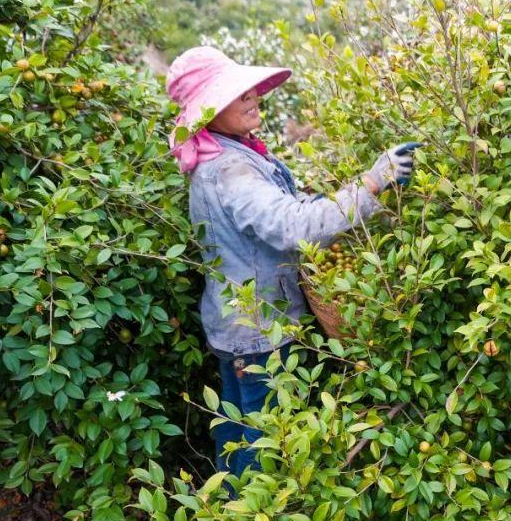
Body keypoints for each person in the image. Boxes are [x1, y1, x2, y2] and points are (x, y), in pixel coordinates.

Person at [165, 46, 419, 477]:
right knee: (262, 446)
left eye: (248, 90)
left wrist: (333, 199)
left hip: (239, 324)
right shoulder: (229, 169)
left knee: (239, 431)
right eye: (236, 94)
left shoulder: (229, 153)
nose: (251, 98)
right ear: (209, 110)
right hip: (260, 331)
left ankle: (228, 505)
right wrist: (372, 183)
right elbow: (293, 227)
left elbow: (280, 209)